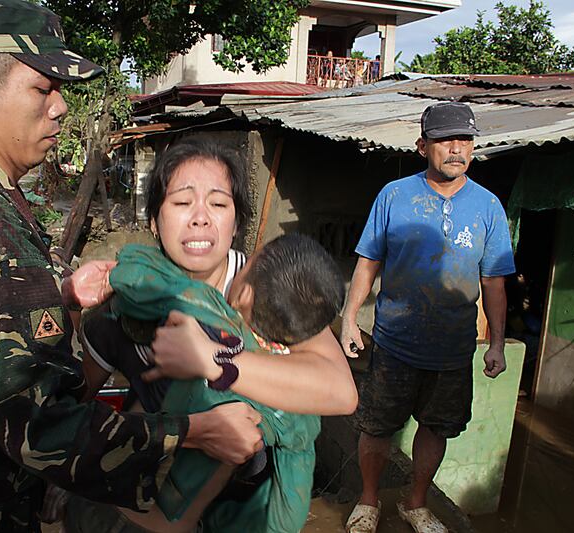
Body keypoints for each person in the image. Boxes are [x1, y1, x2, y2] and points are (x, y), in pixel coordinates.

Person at [0, 2, 263, 531]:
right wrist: (195, 431)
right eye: (43, 89)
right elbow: (40, 431)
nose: (60, 107)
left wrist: (56, 295)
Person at [62, 140, 358, 530]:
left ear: (237, 224)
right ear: (154, 219)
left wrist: (216, 361)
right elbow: (68, 408)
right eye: (182, 203)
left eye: (218, 204)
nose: (200, 218)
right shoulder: (125, 304)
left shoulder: (272, 288)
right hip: (156, 493)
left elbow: (340, 391)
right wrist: (67, 299)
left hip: (247, 508)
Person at [340, 101, 515, 533]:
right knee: (377, 426)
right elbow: (368, 262)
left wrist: (495, 342)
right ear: (423, 146)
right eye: (445, 141)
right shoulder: (395, 196)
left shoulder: (488, 207)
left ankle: (415, 504)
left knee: (436, 428)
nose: (456, 149)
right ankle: (368, 501)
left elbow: (494, 282)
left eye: (464, 141)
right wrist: (347, 320)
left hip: (454, 349)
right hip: (395, 342)